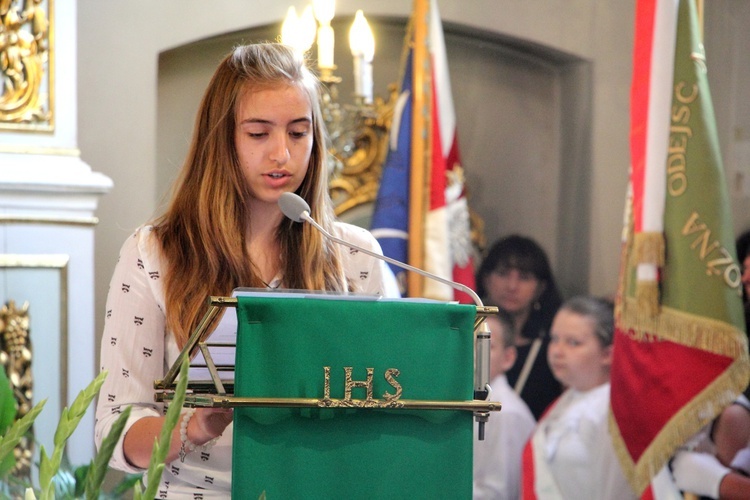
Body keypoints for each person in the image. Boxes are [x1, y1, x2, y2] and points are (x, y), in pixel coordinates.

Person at [94, 43, 395, 497]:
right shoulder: (153, 253)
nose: (282, 154)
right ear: (223, 141)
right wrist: (194, 427)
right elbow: (115, 431)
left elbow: (382, 405)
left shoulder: (356, 254)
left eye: (298, 133)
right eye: (259, 134)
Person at [520, 295, 635, 499]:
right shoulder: (564, 402)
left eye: (573, 343)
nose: (557, 351)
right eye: (554, 339)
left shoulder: (613, 411)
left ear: (607, 354)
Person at [476, 235, 563, 419]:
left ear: (540, 288)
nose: (512, 286)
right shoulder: (464, 335)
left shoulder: (552, 346)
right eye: (502, 274)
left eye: (524, 277)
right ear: (485, 279)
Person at [473, 309, 536, 499]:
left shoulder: (505, 412)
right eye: (466, 343)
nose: (473, 353)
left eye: (484, 345)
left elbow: (500, 492)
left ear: (508, 358)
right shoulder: (467, 400)